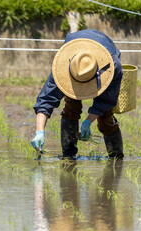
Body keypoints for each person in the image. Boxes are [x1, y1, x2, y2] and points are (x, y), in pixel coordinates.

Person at [31, 29, 124, 160]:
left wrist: (88, 121)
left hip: (104, 56)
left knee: (105, 117)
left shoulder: (113, 67)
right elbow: (45, 101)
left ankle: (116, 157)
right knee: (71, 107)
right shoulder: (62, 68)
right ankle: (68, 155)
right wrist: (39, 132)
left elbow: (105, 101)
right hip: (74, 50)